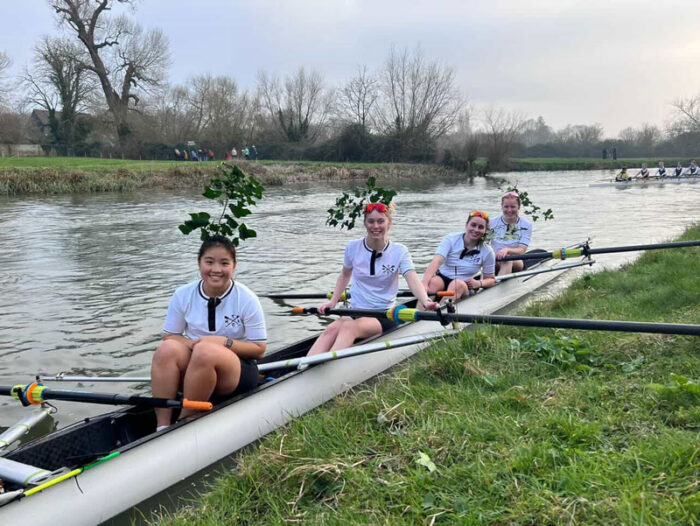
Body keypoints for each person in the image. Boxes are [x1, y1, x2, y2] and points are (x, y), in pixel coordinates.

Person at [150, 235, 267, 430]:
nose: (216, 270)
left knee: (206, 351)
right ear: (199, 263)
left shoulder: (247, 299)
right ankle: (162, 426)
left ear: (234, 266)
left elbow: (259, 349)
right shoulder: (183, 295)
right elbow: (170, 335)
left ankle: (186, 420)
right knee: (166, 349)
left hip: (237, 370)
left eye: (224, 263)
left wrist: (223, 342)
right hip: (197, 361)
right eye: (209, 262)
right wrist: (194, 344)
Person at [307, 202, 438, 356]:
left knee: (349, 328)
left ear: (389, 223)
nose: (375, 226)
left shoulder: (400, 251)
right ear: (365, 223)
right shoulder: (353, 247)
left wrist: (425, 300)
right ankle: (304, 367)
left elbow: (413, 280)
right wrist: (333, 301)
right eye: (371, 221)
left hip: (384, 314)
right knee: (331, 329)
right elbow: (344, 275)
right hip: (355, 310)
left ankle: (325, 368)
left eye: (380, 221)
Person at [421, 211, 496, 302]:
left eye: (480, 227)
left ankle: (438, 312)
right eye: (473, 225)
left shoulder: (487, 251)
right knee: (433, 282)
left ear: (485, 231)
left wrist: (479, 283)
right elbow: (437, 261)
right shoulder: (450, 239)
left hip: (463, 285)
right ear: (466, 225)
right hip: (442, 279)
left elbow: (491, 280)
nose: (476, 230)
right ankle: (421, 311)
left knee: (456, 284)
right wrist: (424, 284)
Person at [490, 191, 533, 276]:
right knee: (486, 259)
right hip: (495, 260)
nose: (509, 210)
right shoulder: (491, 223)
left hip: (515, 260)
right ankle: (481, 284)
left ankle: (498, 286)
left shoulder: (526, 225)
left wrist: (507, 250)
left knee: (507, 259)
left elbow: (521, 250)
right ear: (502, 207)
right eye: (506, 207)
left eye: (513, 207)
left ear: (518, 207)